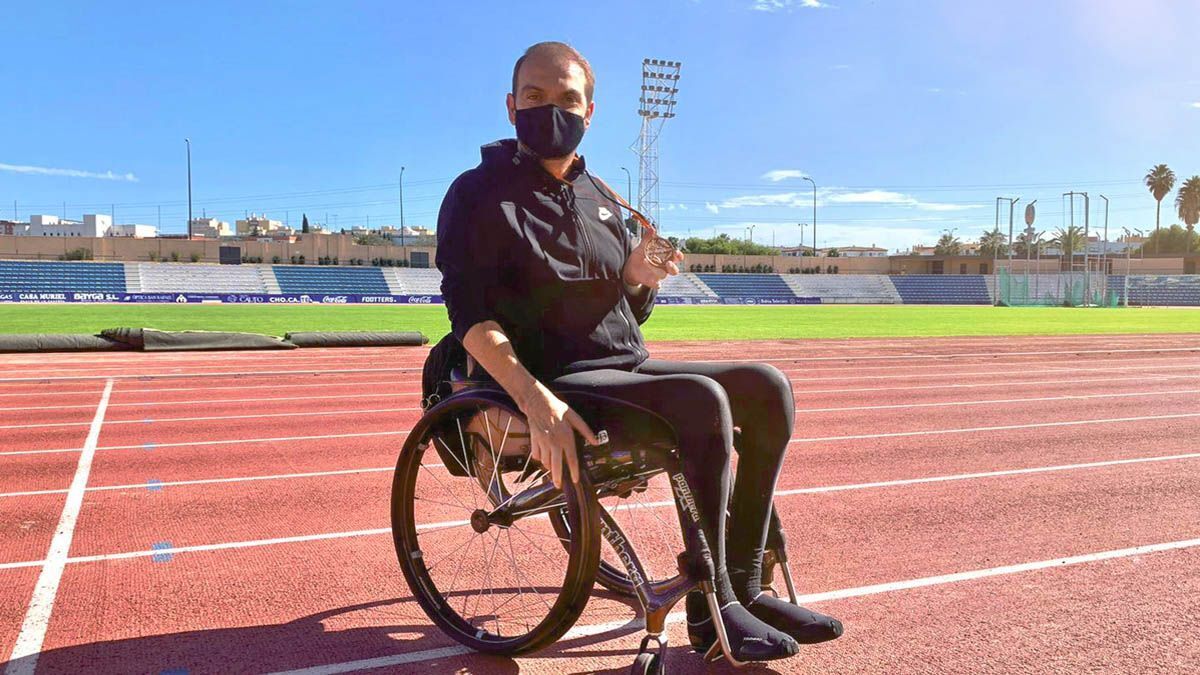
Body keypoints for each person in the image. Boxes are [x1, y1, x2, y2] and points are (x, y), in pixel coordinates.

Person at [435, 41, 842, 662]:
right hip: (551, 378)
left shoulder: (603, 197)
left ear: (589, 111)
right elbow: (468, 316)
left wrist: (633, 277)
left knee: (767, 386)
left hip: (621, 366)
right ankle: (718, 604)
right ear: (511, 105)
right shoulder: (476, 194)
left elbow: (626, 313)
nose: (553, 110)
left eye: (568, 99)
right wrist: (535, 400)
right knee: (699, 399)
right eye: (536, 97)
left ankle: (748, 588)